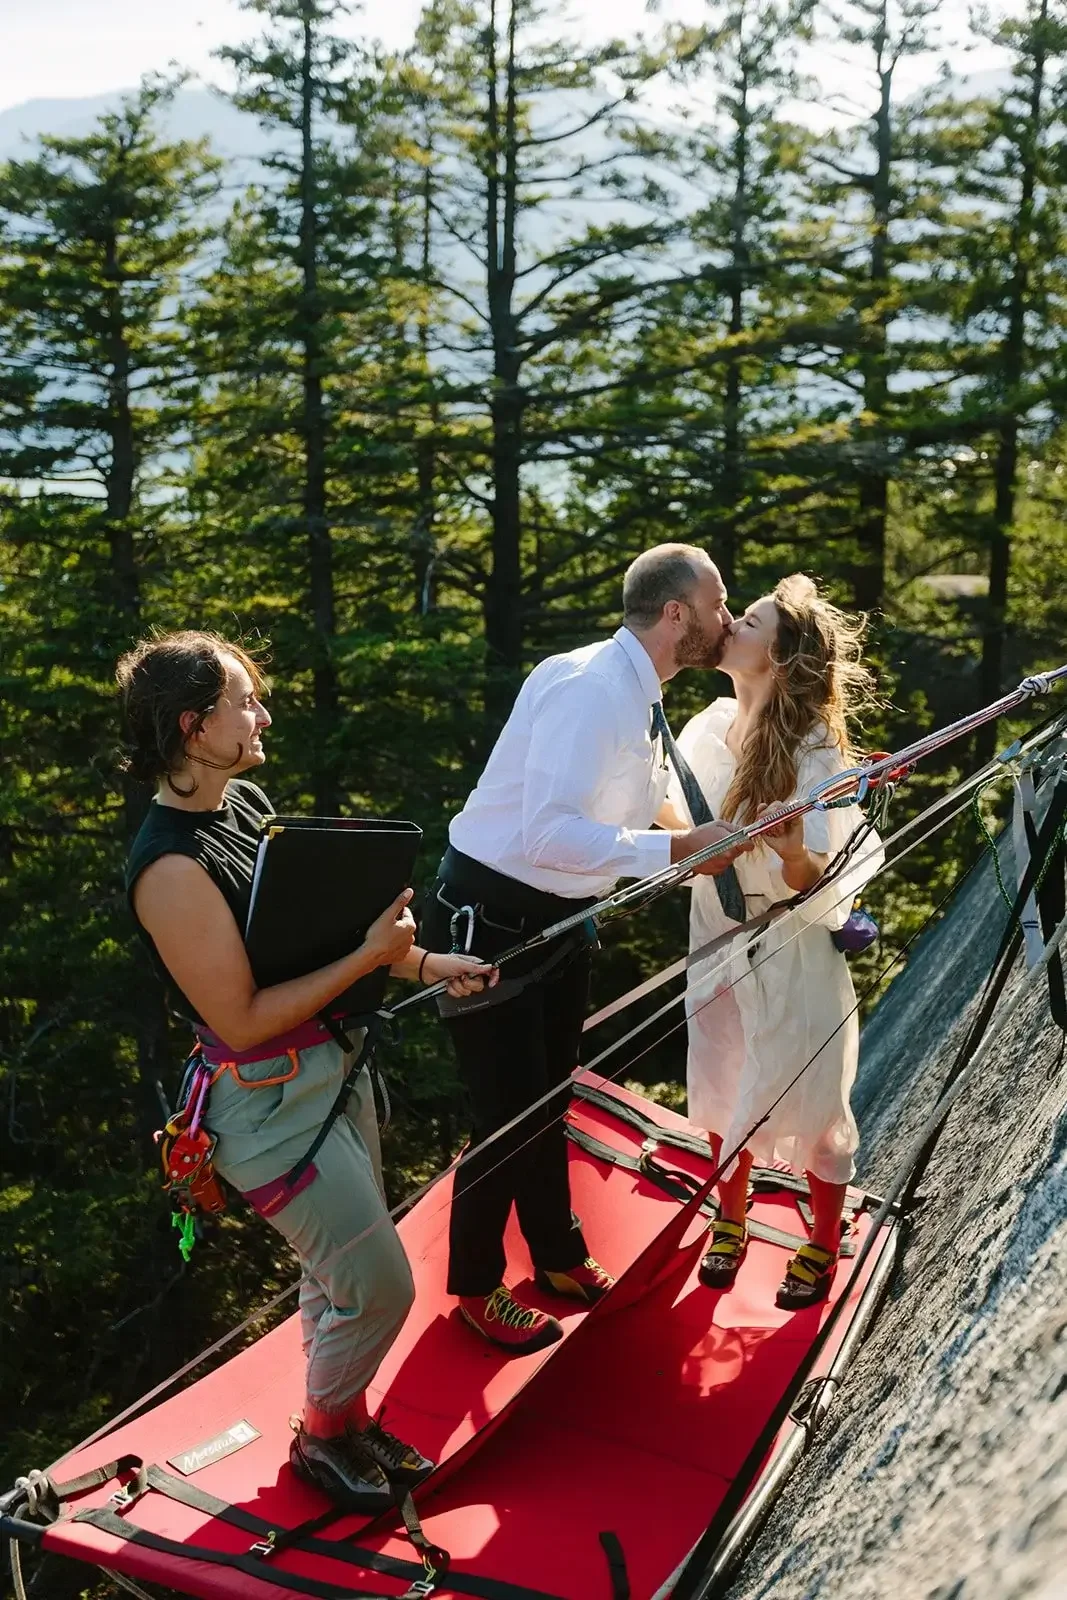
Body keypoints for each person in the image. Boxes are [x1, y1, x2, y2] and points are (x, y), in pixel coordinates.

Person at [117, 630, 496, 1513]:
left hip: (328, 1071)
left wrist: (425, 964)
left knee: (338, 1277)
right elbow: (241, 1015)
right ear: (190, 725)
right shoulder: (169, 870)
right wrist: (370, 959)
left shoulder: (242, 806)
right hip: (264, 1109)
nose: (263, 714)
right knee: (379, 1287)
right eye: (243, 702)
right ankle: (322, 1437)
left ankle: (348, 1419)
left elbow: (317, 938)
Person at [420, 544, 751, 1354]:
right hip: (489, 922)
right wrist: (677, 854)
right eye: (718, 603)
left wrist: (714, 834)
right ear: (676, 615)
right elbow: (548, 832)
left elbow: (625, 811)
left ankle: (558, 1254)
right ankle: (474, 1287)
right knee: (507, 1117)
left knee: (547, 1103)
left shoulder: (633, 689)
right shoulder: (591, 690)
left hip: (552, 921)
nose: (727, 618)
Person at [663, 574, 883, 1309]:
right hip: (715, 934)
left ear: (779, 657)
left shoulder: (815, 747)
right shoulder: (701, 728)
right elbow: (672, 817)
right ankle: (732, 1218)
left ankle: (821, 1239)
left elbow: (828, 873)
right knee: (725, 1077)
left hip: (790, 944)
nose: (727, 624)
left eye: (746, 619)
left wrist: (790, 852)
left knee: (815, 1100)